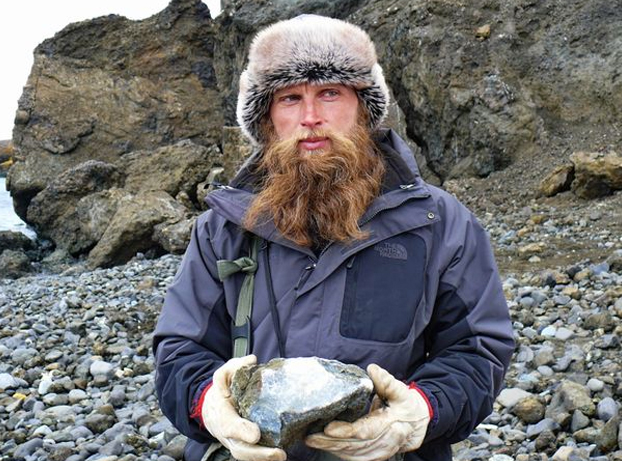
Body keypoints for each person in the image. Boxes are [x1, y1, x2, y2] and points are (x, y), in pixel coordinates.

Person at [153, 14, 515, 461]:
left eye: (329, 93)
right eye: (289, 98)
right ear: (266, 119)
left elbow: (477, 349)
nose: (310, 117)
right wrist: (208, 403)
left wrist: (419, 412)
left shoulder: (441, 224)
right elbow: (178, 349)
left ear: (364, 106)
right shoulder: (221, 229)